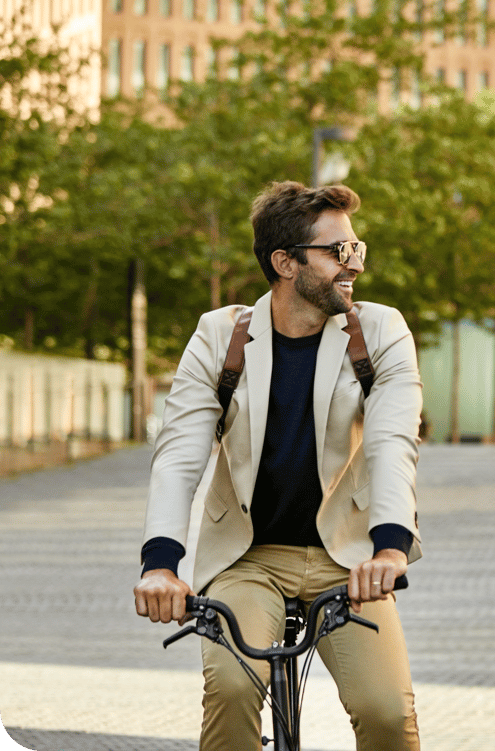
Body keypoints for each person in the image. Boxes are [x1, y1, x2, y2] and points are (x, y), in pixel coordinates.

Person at [133, 181, 422, 751]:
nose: (354, 265)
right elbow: (180, 453)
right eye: (337, 252)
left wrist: (389, 549)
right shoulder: (221, 336)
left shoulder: (381, 330)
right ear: (284, 262)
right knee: (233, 694)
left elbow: (392, 442)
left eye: (356, 249)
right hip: (247, 558)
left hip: (350, 559)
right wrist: (161, 563)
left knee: (386, 712)